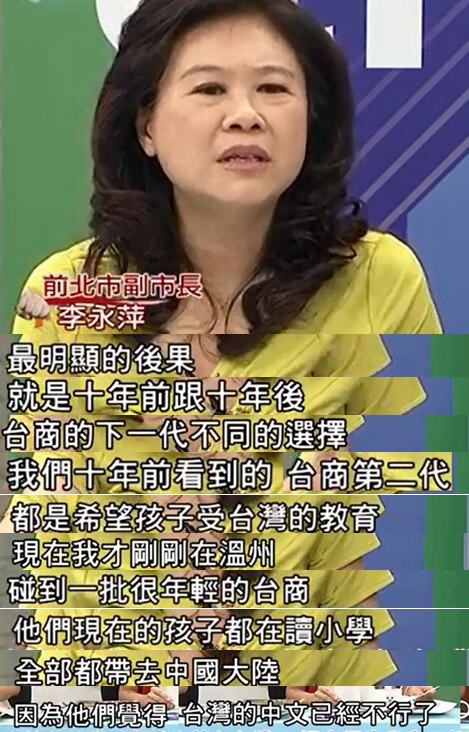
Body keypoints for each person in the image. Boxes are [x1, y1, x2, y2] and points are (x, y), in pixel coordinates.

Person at [6, 0, 443, 690]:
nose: (246, 115)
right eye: (209, 88)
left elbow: (418, 533)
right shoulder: (68, 294)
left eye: (273, 88)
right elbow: (56, 540)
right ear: (146, 124)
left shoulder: (380, 280)